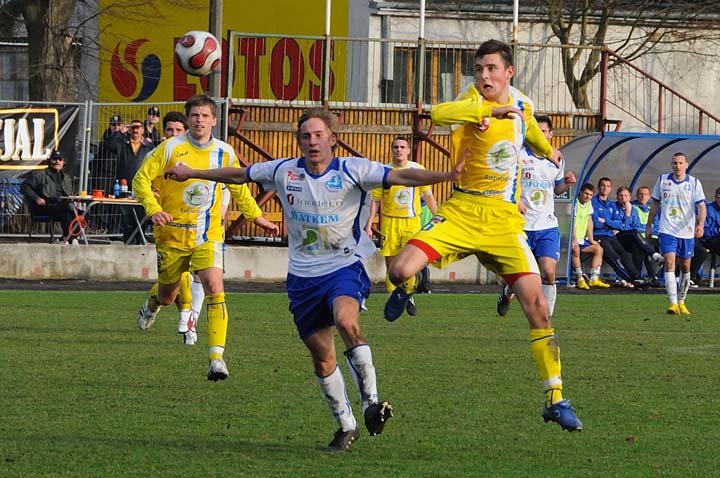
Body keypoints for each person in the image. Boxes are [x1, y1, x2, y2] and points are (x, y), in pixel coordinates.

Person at [163, 107, 465, 451]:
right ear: (299, 141)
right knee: (323, 358)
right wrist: (193, 173)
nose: (313, 142)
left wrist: (445, 176)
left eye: (319, 135)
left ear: (332, 140)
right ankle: (346, 424)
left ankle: (371, 404)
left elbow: (402, 178)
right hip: (303, 278)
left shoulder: (354, 170)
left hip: (344, 267)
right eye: (306, 136)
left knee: (346, 320)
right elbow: (239, 175)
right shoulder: (283, 170)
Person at [382, 39, 583, 432]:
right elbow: (438, 113)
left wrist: (550, 150)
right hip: (462, 210)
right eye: (478, 69)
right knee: (398, 270)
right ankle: (405, 288)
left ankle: (555, 398)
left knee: (538, 307)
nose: (483, 76)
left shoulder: (521, 106)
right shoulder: (469, 103)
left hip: (503, 221)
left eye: (491, 68)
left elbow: (529, 133)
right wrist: (485, 109)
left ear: (509, 72)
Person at [132, 94, 279, 380]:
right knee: (167, 294)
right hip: (171, 234)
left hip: (207, 235)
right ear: (188, 119)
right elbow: (141, 179)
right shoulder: (169, 148)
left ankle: (216, 359)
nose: (200, 120)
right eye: (195, 115)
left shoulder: (224, 152)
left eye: (205, 115)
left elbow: (238, 187)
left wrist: (256, 217)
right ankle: (151, 305)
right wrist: (154, 210)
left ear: (214, 120)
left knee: (214, 286)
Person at [496, 114, 576, 317]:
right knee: (518, 276)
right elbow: (504, 184)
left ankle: (545, 319)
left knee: (548, 273)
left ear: (550, 134)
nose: (540, 135)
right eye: (536, 131)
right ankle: (507, 292)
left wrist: (566, 183)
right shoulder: (519, 155)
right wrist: (516, 200)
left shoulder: (557, 159)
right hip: (520, 225)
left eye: (544, 131)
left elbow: (556, 189)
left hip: (547, 225)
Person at [364, 136, 437, 316]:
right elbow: (375, 200)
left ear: (407, 150)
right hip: (390, 221)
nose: (399, 150)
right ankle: (396, 295)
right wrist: (369, 224)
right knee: (391, 261)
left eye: (402, 147)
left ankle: (409, 290)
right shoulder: (384, 171)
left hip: (412, 220)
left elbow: (428, 196)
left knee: (411, 259)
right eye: (396, 147)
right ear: (392, 150)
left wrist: (439, 218)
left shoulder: (417, 170)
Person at [646, 152, 706, 315]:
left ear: (686, 164)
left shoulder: (694, 183)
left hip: (686, 231)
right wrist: (649, 225)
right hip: (667, 229)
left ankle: (681, 300)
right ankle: (672, 303)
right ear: (671, 164)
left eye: (680, 163)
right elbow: (655, 204)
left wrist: (700, 225)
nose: (677, 166)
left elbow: (701, 206)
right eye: (674, 163)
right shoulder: (663, 180)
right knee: (670, 262)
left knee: (685, 266)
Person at [591, 177, 641, 287]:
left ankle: (637, 278)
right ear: (599, 187)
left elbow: (621, 225)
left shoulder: (611, 205)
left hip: (610, 235)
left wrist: (605, 221)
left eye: (608, 186)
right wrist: (610, 223)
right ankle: (631, 281)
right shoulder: (593, 202)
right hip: (598, 235)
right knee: (614, 257)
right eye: (603, 185)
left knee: (625, 254)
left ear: (610, 189)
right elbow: (596, 223)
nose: (605, 188)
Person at [112, 119, 155, 244]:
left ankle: (140, 240)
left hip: (143, 184)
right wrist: (119, 132)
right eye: (133, 128)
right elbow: (110, 146)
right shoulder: (123, 144)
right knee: (127, 216)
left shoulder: (148, 146)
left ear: (142, 130)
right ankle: (129, 242)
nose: (136, 130)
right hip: (124, 184)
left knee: (141, 214)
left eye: (138, 128)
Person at [20, 150, 76, 243]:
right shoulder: (39, 175)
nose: (57, 161)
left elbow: (70, 194)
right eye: (54, 159)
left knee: (83, 213)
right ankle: (70, 238)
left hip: (62, 206)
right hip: (44, 207)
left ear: (64, 162)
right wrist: (36, 198)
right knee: (67, 211)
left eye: (60, 159)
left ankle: (67, 238)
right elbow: (24, 187)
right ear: (49, 161)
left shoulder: (67, 178)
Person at [614, 186, 664, 284]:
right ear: (636, 196)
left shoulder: (652, 209)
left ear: (649, 197)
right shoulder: (633, 207)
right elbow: (633, 226)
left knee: (644, 244)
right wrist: (648, 228)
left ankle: (642, 276)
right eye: (641, 194)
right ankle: (651, 276)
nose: (643, 196)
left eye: (645, 194)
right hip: (636, 237)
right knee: (642, 245)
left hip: (651, 237)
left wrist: (648, 229)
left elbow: (657, 227)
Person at [570, 183, 609, 289]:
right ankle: (579, 278)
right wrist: (573, 238)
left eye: (591, 195)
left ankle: (594, 278)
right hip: (569, 238)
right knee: (575, 249)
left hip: (581, 239)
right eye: (586, 194)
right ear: (581, 192)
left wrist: (591, 239)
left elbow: (589, 220)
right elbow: (570, 221)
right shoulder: (574, 203)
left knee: (598, 249)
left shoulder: (588, 204)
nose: (588, 197)